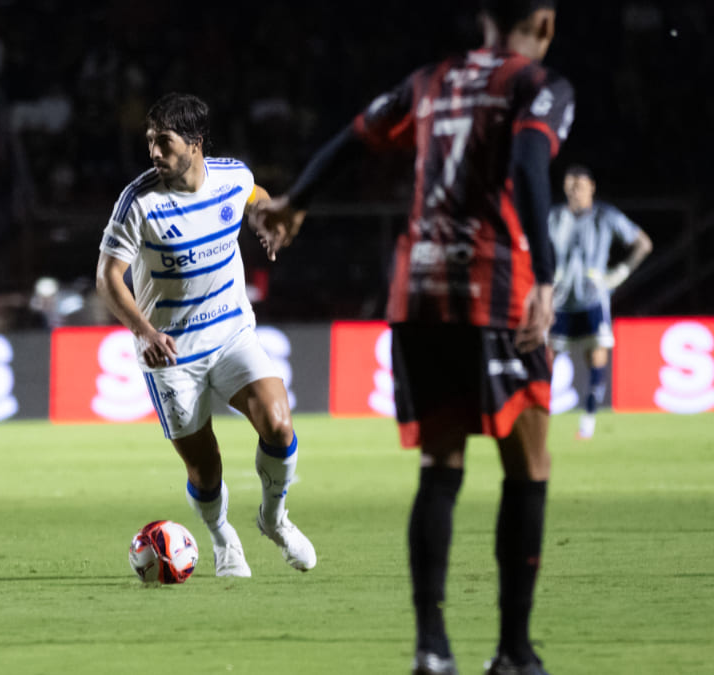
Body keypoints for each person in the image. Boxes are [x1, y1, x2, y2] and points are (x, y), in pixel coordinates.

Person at [249, 1, 572, 673]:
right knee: (528, 467)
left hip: (417, 288)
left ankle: (431, 648)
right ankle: (513, 649)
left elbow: (352, 139)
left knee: (440, 468)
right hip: (495, 285)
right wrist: (545, 272)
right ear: (543, 23)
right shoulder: (536, 85)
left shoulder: (429, 81)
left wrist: (295, 200)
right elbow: (531, 166)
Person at [95, 92, 316, 578]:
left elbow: (254, 194)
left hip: (232, 334)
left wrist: (263, 217)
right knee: (205, 467)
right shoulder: (139, 201)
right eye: (150, 141)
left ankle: (274, 519)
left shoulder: (231, 177)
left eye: (164, 142)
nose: (154, 152)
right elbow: (108, 278)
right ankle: (222, 538)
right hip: (171, 353)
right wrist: (145, 331)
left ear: (195, 143)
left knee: (279, 425)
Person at [548, 164, 651, 439]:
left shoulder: (606, 216)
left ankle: (588, 421)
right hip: (560, 302)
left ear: (591, 187)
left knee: (595, 356)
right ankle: (539, 420)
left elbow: (643, 243)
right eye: (569, 186)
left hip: (593, 300)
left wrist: (620, 273)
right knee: (546, 360)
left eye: (579, 186)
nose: (574, 191)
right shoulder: (555, 217)